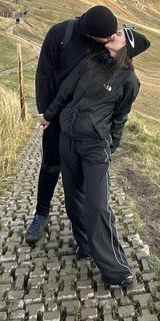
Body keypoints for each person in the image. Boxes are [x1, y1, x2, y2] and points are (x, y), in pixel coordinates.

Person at [40, 25, 150, 287]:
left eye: (120, 35)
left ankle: (116, 270)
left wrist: (110, 147)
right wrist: (48, 115)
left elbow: (120, 118)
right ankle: (86, 244)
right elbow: (65, 91)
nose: (113, 34)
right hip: (69, 140)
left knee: (97, 207)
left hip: (94, 147)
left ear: (126, 46)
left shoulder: (129, 82)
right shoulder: (90, 62)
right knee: (72, 202)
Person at [25, 5, 118, 243]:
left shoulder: (104, 43)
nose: (110, 40)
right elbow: (43, 74)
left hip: (86, 119)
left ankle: (86, 224)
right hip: (57, 116)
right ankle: (40, 214)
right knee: (50, 165)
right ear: (91, 33)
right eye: (106, 37)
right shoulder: (59, 35)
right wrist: (45, 113)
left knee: (83, 172)